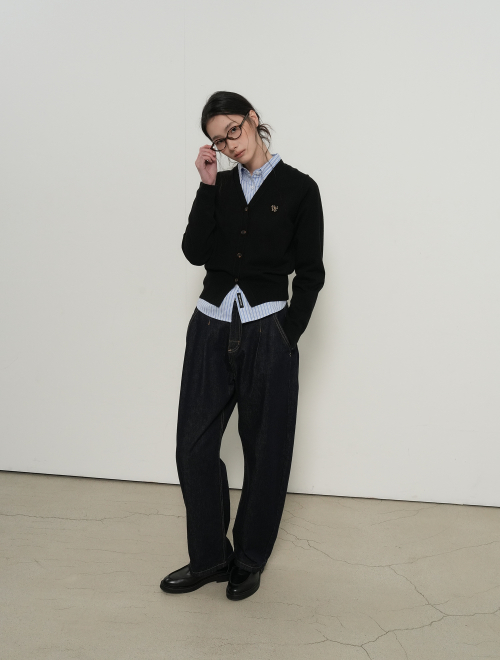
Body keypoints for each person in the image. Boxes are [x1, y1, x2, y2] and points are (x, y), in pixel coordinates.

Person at [160, 91, 325, 601]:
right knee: (193, 447)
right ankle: (210, 557)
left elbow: (311, 273)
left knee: (266, 449)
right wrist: (207, 185)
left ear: (253, 119)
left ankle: (249, 558)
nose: (229, 144)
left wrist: (286, 332)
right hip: (210, 326)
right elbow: (194, 252)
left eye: (233, 129)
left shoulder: (300, 188)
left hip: (267, 331)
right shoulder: (221, 186)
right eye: (217, 139)